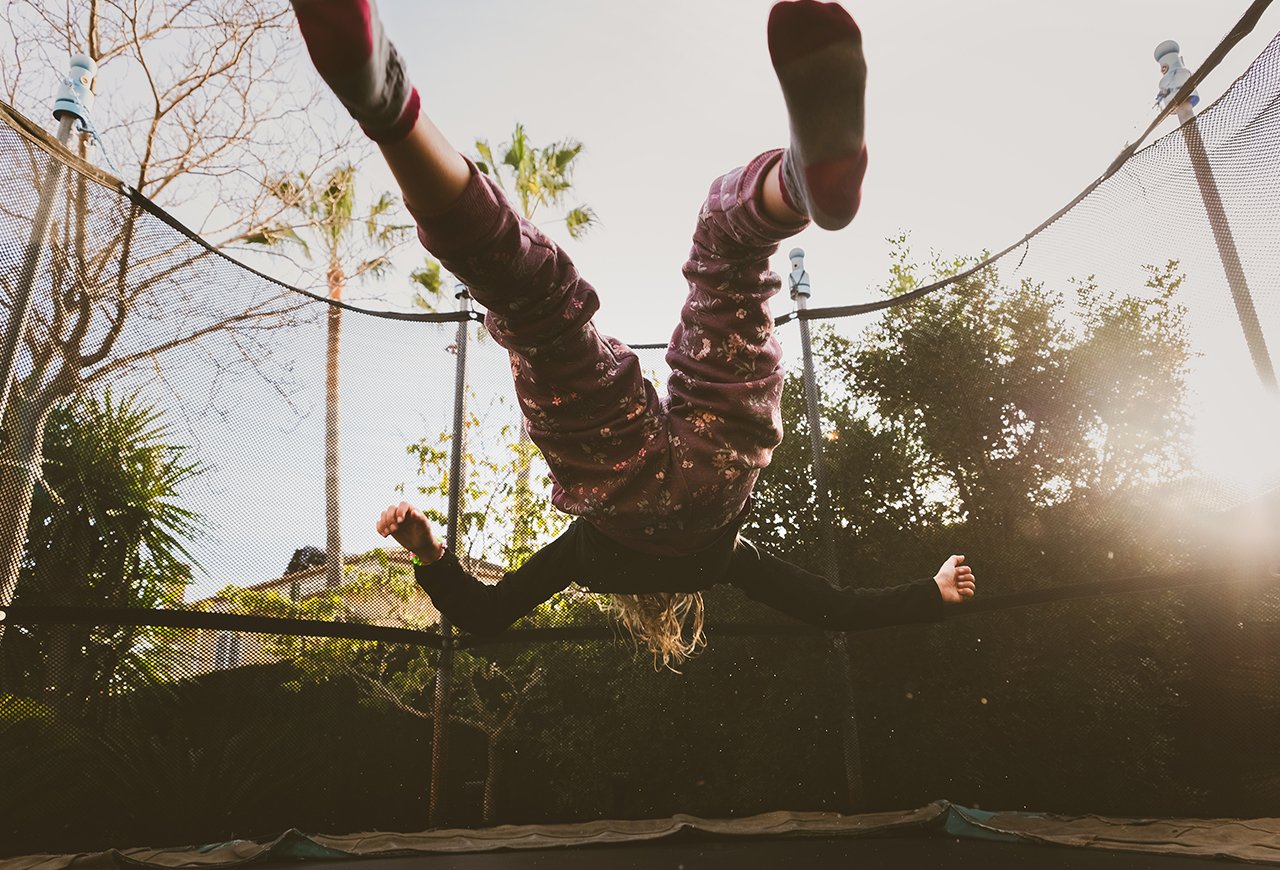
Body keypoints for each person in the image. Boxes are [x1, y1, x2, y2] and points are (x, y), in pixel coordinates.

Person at [289, 0, 976, 667]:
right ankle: (388, 108)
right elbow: (486, 616)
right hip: (611, 486)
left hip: (719, 478)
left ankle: (797, 186)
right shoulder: (592, 558)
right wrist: (430, 552)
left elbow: (834, 606)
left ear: (681, 608)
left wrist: (933, 593)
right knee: (534, 308)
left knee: (728, 258)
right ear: (638, 613)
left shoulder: (722, 559)